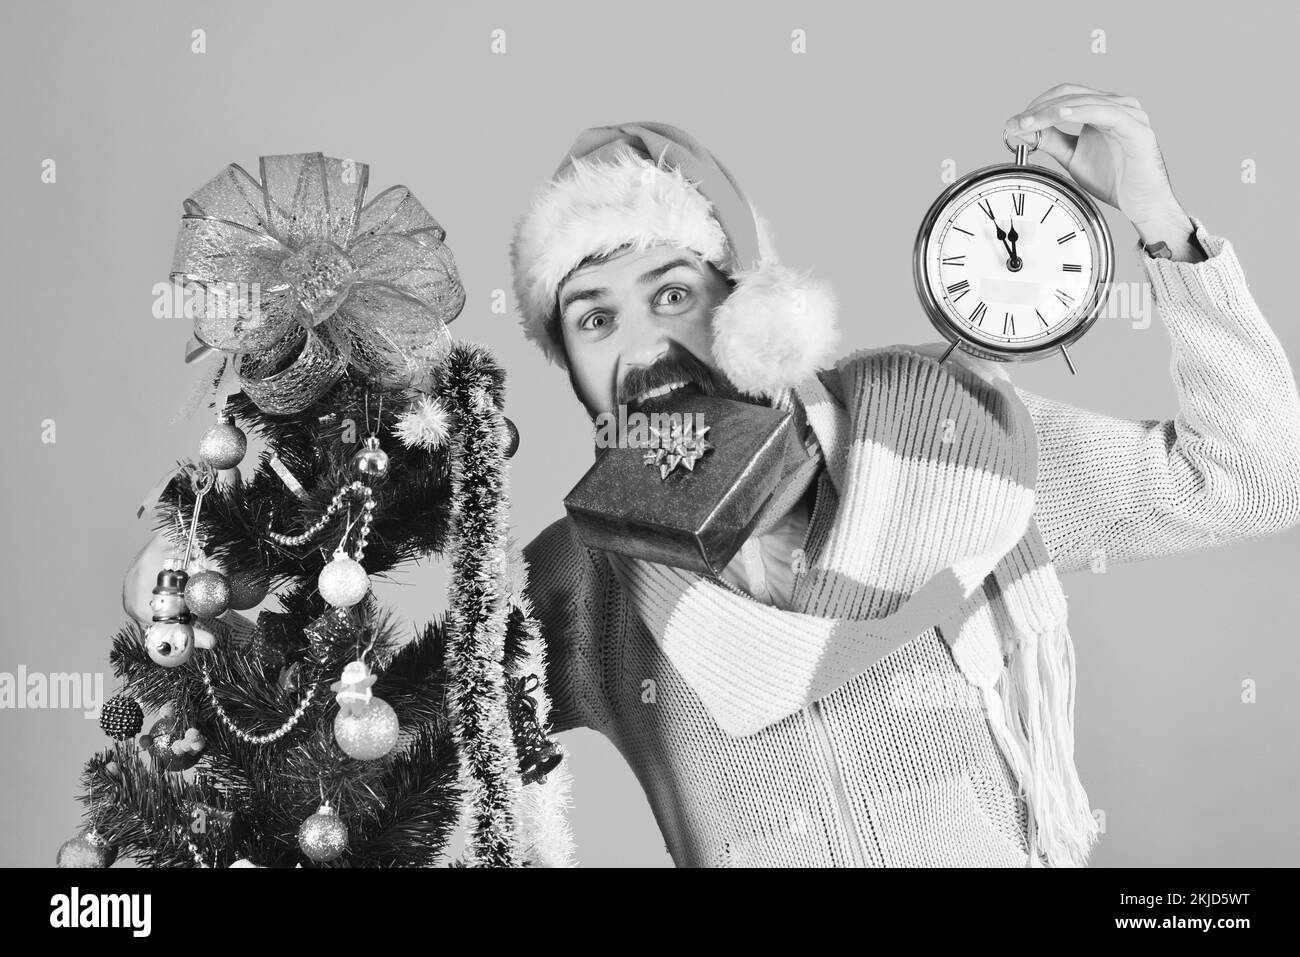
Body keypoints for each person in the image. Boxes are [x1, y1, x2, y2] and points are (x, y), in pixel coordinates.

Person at [507, 87, 1300, 867]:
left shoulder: (948, 438)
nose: (641, 344)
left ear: (749, 299)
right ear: (570, 362)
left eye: (673, 292)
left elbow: (1257, 476)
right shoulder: (584, 575)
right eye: (594, 318)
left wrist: (1162, 224)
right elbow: (397, 754)